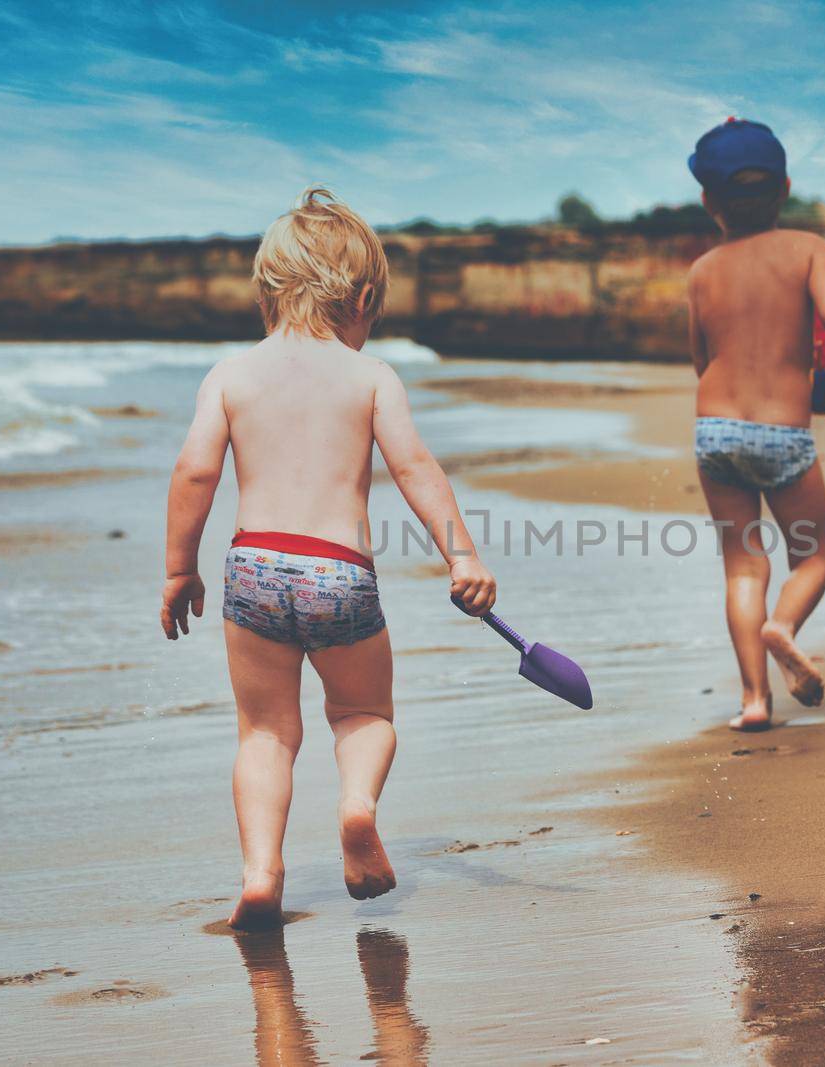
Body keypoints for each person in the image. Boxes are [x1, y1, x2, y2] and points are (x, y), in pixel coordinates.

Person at [160, 185, 496, 927]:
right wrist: (461, 555)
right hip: (338, 573)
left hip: (252, 567)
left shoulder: (230, 375)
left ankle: (259, 874)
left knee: (264, 733)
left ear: (267, 292)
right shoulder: (371, 377)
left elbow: (194, 472)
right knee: (364, 712)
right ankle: (356, 805)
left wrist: (180, 567)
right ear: (365, 297)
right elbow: (416, 469)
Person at [685, 119, 825, 731]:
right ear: (786, 186)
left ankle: (754, 702)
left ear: (708, 200)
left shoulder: (702, 271)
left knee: (743, 566)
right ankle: (782, 627)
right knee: (812, 557)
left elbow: (700, 359)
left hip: (714, 431)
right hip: (784, 433)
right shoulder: (807, 247)